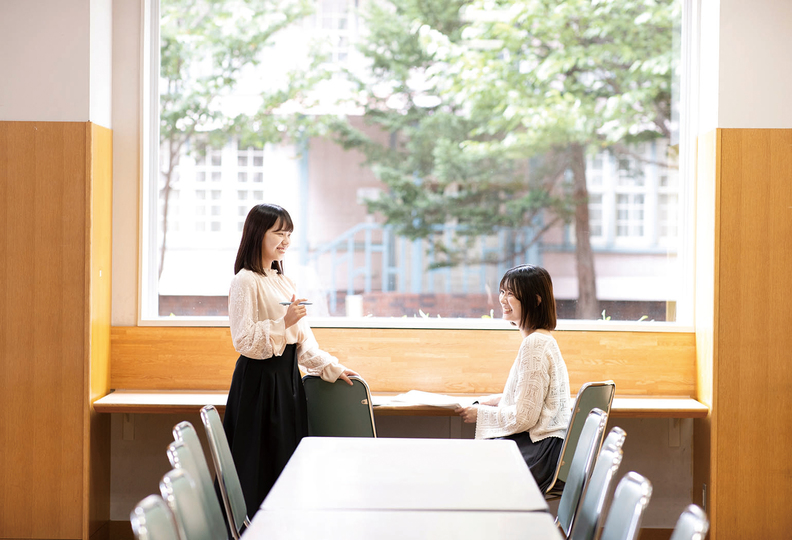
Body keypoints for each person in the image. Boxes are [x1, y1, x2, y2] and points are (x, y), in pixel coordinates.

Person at [223, 203, 358, 513]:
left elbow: (302, 341)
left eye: (289, 234)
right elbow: (243, 341)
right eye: (278, 233)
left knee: (286, 459)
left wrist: (331, 367)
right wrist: (282, 323)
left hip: (287, 382)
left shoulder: (284, 281)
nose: (285, 241)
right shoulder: (245, 280)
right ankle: (251, 527)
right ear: (258, 234)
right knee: (256, 464)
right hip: (258, 384)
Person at [455, 264, 571, 492]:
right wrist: (497, 400)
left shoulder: (534, 344)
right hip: (550, 449)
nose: (502, 299)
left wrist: (481, 413)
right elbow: (536, 398)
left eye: (511, 294)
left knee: (463, 472)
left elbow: (524, 418)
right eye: (502, 291)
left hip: (540, 453)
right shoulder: (544, 339)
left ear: (535, 300)